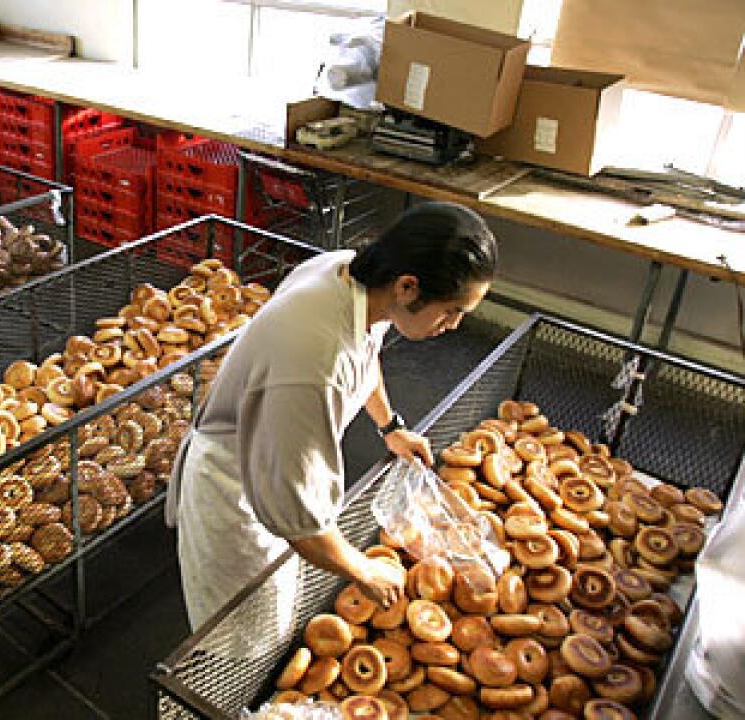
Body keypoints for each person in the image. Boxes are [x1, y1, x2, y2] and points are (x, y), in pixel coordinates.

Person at [165, 201, 498, 639]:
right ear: (408, 287)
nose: (453, 325)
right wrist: (363, 570)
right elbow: (298, 518)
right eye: (452, 310)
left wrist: (390, 425)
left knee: (274, 608)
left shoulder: (354, 278)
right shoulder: (316, 358)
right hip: (235, 485)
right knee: (242, 634)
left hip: (267, 448)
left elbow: (367, 352)